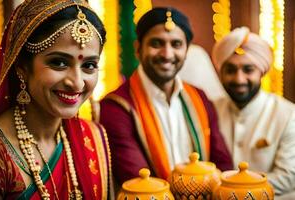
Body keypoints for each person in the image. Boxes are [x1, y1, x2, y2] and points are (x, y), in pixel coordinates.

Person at [99, 7, 233, 187]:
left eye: (176, 44)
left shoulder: (199, 98)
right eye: (156, 43)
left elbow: (223, 165)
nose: (167, 54)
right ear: (138, 48)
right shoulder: (116, 107)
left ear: (186, 49)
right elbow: (138, 181)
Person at [0, 0, 114, 199]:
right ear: (22, 67)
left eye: (89, 65)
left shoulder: (94, 136)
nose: (77, 83)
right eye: (59, 63)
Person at [212, 26, 295, 198]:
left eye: (248, 70)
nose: (239, 79)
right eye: (230, 70)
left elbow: (288, 177)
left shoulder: (288, 114)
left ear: (261, 71)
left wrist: (233, 190)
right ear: (221, 72)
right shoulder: (210, 109)